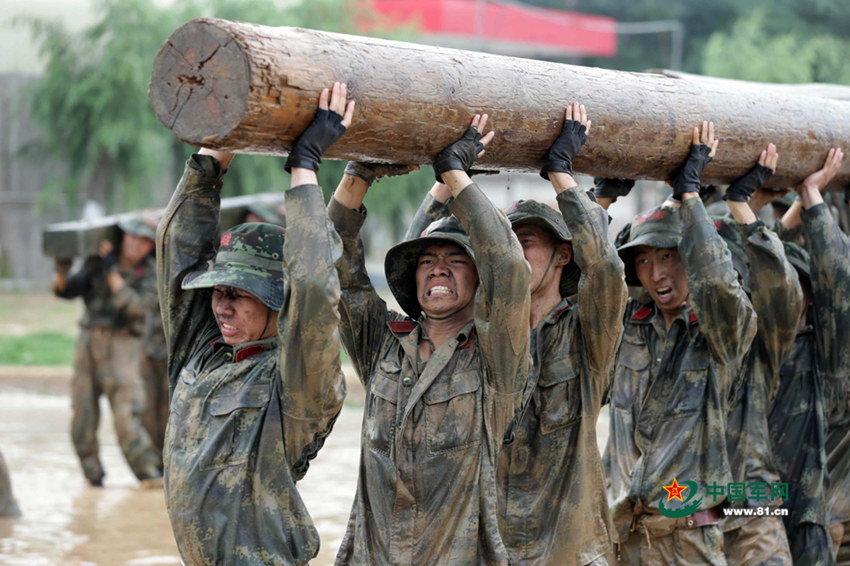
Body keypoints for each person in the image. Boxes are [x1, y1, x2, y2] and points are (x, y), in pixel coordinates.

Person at [403, 103, 627, 565]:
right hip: (486, 547)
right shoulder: (476, 333)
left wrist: (561, 175)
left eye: (525, 242)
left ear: (563, 256)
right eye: (505, 242)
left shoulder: (585, 335)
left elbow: (605, 269)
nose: (513, 253)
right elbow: (416, 262)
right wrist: (448, 182)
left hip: (567, 549)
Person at [157, 82, 349, 565]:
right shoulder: (200, 355)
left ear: (275, 301)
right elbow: (177, 249)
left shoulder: (295, 384)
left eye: (240, 295)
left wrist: (305, 168)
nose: (222, 306)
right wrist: (220, 146)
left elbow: (313, 288)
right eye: (219, 291)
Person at [328, 114, 531, 564]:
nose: (438, 268)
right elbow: (339, 269)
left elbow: (511, 269)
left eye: (456, 260)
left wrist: (455, 173)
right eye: (427, 261)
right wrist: (358, 174)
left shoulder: (498, 358)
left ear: (479, 280)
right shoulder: (381, 345)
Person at [605, 121, 757, 564]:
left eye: (669, 257)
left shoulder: (719, 335)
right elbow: (592, 280)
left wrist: (690, 198)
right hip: (622, 538)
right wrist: (602, 200)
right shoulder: (628, 327)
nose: (657, 274)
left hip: (689, 541)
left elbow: (721, 286)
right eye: (646, 262)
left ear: (690, 256)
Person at [713, 144, 798, 565]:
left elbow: (778, 281)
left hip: (754, 506)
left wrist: (742, 206)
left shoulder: (768, 333)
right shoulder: (680, 330)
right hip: (693, 512)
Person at [772, 147, 848, 565]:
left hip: (811, 525)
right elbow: (756, 267)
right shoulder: (753, 346)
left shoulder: (827, 353)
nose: (784, 295)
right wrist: (801, 201)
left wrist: (814, 201)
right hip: (753, 515)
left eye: (796, 287)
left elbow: (838, 277)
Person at [53, 217, 163, 487]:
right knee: (82, 412)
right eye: (131, 237)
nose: (135, 244)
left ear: (150, 246)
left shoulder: (151, 272)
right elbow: (66, 291)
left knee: (128, 416)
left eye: (143, 241)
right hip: (89, 340)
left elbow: (137, 308)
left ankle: (150, 476)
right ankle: (93, 477)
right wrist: (61, 271)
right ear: (122, 237)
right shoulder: (96, 263)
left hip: (123, 345)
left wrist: (112, 271)